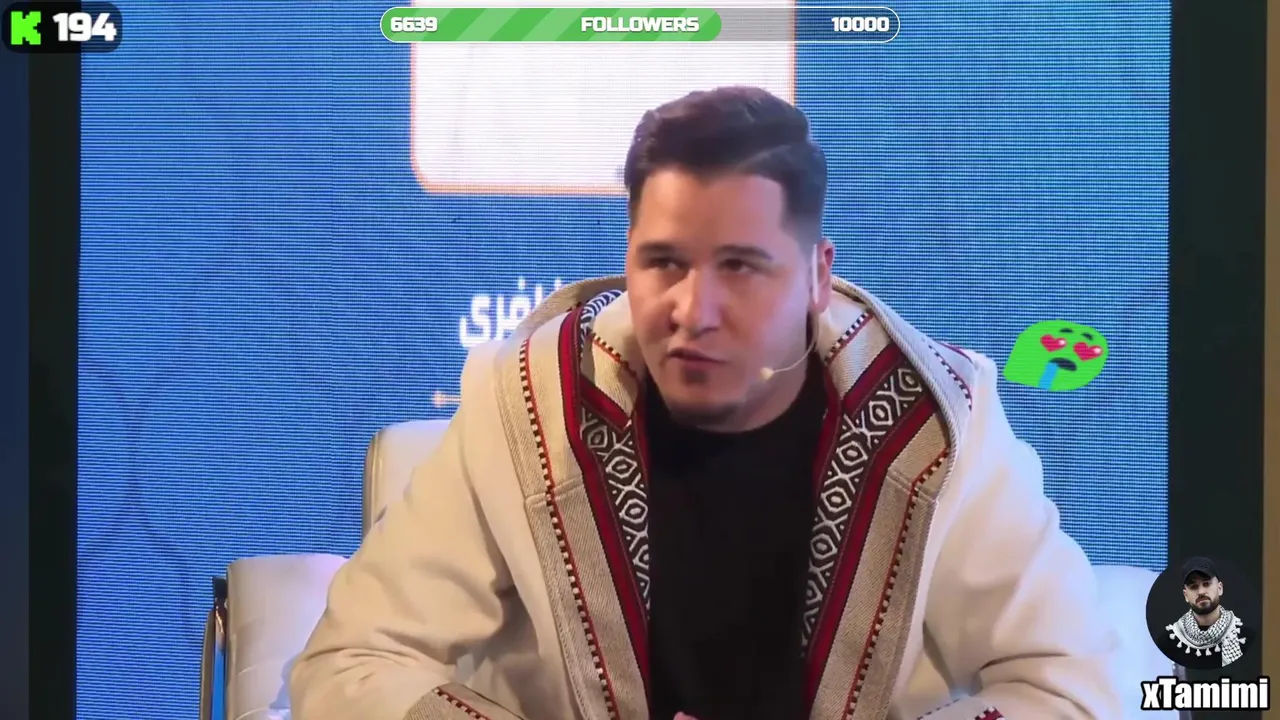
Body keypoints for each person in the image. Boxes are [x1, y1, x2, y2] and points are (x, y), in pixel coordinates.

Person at [290, 87, 1125, 719]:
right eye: (664, 263)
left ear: (817, 276)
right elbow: (348, 668)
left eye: (740, 267)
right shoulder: (524, 400)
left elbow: (1071, 689)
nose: (694, 311)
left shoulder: (937, 421)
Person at [1155, 557, 1256, 670]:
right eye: (1194, 586)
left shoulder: (1245, 637)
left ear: (1220, 588)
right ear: (1186, 596)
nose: (1201, 592)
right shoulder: (1169, 642)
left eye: (1206, 584)